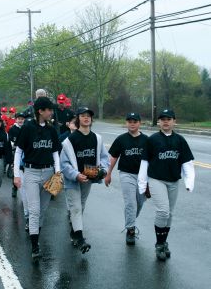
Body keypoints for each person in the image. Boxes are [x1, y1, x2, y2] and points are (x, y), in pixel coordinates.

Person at [138, 108, 195, 261]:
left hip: (173, 180)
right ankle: (159, 244)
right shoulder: (153, 140)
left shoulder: (180, 140)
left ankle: (164, 242)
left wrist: (189, 182)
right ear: (159, 122)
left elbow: (187, 162)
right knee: (163, 211)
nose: (165, 121)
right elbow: (144, 162)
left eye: (168, 119)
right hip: (157, 179)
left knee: (170, 213)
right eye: (162, 119)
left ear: (174, 122)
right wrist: (142, 184)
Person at [13, 97, 61, 260]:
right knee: (34, 210)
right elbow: (18, 151)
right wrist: (16, 175)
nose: (51, 112)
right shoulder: (27, 127)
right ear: (40, 111)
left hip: (48, 173)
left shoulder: (52, 129)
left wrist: (58, 172)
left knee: (42, 210)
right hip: (31, 173)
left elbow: (55, 152)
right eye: (49, 109)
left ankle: (36, 236)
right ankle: (35, 245)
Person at [60, 107, 110, 254]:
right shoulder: (70, 140)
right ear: (78, 119)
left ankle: (74, 233)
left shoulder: (97, 138)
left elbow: (104, 158)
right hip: (73, 180)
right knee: (75, 207)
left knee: (80, 206)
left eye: (88, 116)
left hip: (89, 177)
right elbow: (64, 163)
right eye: (83, 116)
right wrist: (75, 175)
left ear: (91, 119)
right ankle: (81, 239)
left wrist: (103, 170)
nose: (86, 118)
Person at [105, 113, 149, 245]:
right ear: (126, 123)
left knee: (140, 203)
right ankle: (130, 230)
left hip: (142, 176)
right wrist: (108, 174)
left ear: (139, 123)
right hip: (126, 174)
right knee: (131, 203)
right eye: (129, 121)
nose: (132, 123)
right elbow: (113, 157)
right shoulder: (121, 139)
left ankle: (130, 221)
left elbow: (152, 160)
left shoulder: (146, 140)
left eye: (135, 121)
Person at [8, 112, 25, 199]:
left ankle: (25, 190)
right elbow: (10, 140)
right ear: (16, 119)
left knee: (25, 171)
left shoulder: (26, 128)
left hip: (25, 153)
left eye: (22, 119)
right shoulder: (12, 129)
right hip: (15, 152)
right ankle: (14, 188)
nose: (20, 120)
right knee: (16, 170)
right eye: (19, 119)